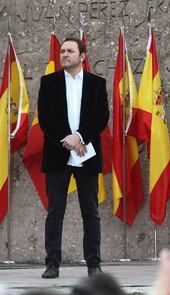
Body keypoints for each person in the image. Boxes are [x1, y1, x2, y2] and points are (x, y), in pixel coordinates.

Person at [38, 37, 109, 278]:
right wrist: (67, 141)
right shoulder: (48, 82)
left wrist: (79, 137)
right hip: (58, 153)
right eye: (62, 51)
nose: (64, 55)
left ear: (82, 56)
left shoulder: (97, 83)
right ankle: (52, 264)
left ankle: (94, 265)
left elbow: (102, 117)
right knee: (55, 211)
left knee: (90, 212)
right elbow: (45, 118)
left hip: (86, 154)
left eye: (69, 51)